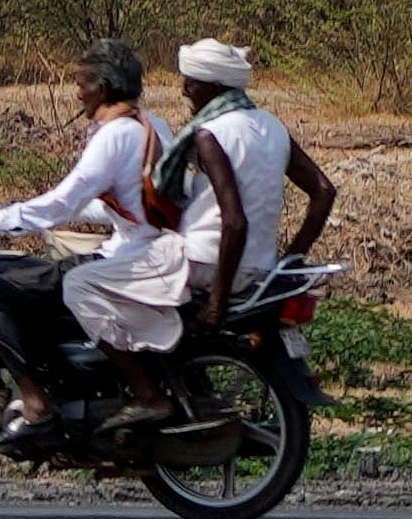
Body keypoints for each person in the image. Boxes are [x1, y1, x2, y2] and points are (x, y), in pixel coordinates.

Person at [70, 34, 334, 372]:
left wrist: (216, 303)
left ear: (215, 87)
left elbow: (235, 222)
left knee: (81, 282)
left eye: (191, 84)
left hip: (203, 264)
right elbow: (324, 192)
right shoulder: (272, 126)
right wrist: (290, 261)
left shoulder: (210, 134)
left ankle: (145, 389)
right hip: (258, 269)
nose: (184, 91)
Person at [0, 40, 160, 456]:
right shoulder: (152, 125)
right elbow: (129, 205)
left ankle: (37, 407)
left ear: (103, 88)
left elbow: (59, 204)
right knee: (44, 277)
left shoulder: (113, 137)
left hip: (128, 260)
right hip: (146, 250)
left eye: (81, 83)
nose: (77, 93)